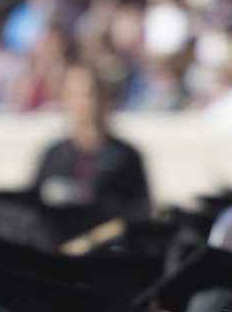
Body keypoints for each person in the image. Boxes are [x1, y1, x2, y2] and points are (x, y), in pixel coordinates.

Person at [30, 64, 150, 212]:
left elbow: (140, 208)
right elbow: (34, 205)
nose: (85, 102)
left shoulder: (125, 156)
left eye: (91, 93)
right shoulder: (54, 155)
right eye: (76, 95)